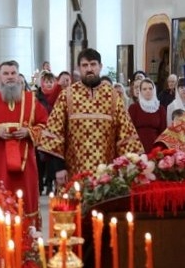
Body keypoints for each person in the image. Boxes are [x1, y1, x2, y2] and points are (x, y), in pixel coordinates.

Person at [40, 48, 143, 185]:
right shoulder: (67, 95)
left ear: (100, 67)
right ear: (79, 68)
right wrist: (59, 168)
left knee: (103, 206)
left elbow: (126, 134)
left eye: (93, 64)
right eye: (85, 65)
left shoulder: (112, 96)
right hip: (73, 172)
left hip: (107, 174)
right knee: (74, 206)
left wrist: (129, 166)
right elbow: (54, 133)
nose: (89, 69)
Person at [0, 60, 49, 222]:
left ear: (19, 75)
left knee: (25, 203)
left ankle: (28, 240)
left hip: (26, 166)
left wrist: (29, 132)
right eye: (6, 74)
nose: (10, 77)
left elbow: (46, 126)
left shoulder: (31, 100)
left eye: (13, 73)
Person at [127, 78, 166, 149]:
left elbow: (163, 131)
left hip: (155, 146)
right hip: (137, 146)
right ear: (140, 91)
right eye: (144, 89)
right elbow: (129, 130)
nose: (148, 91)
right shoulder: (133, 108)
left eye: (150, 88)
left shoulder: (160, 109)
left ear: (154, 91)